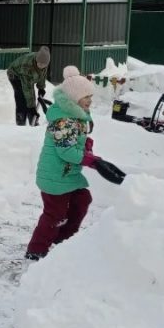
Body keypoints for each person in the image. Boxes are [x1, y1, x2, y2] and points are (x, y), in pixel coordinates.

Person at [25, 66, 125, 261]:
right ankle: (36, 250)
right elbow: (66, 151)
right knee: (54, 214)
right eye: (86, 96)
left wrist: (85, 144)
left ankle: (63, 240)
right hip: (55, 176)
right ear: (74, 98)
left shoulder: (75, 116)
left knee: (82, 200)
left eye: (90, 96)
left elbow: (73, 141)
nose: (90, 100)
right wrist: (91, 160)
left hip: (66, 174)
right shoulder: (64, 120)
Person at [7, 46, 51, 126]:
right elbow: (27, 88)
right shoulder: (27, 66)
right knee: (21, 97)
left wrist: (41, 87)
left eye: (43, 65)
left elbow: (42, 75)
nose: (41, 66)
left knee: (29, 99)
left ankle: (32, 120)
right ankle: (21, 120)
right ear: (36, 60)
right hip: (15, 74)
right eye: (39, 63)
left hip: (27, 75)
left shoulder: (44, 63)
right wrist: (32, 108)